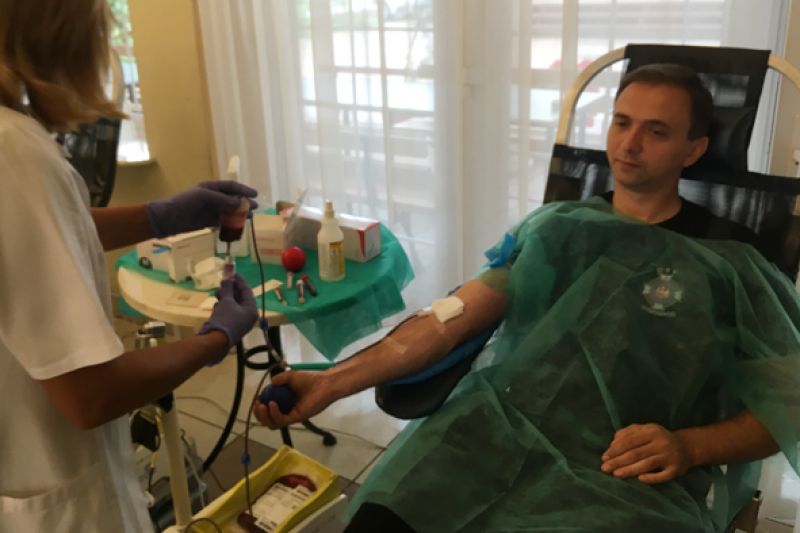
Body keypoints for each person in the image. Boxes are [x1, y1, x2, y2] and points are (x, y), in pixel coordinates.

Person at [255, 63, 800, 532]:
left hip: (626, 468)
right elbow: (451, 318)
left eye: (656, 131)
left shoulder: (730, 263)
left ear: (694, 149)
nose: (629, 144)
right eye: (621, 122)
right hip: (497, 430)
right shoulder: (557, 229)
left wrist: (689, 448)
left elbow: (789, 404)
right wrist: (330, 382)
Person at [0, 1, 258, 531]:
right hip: (58, 501)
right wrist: (214, 340)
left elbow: (42, 236)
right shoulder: (14, 153)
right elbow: (91, 394)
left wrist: (158, 216)